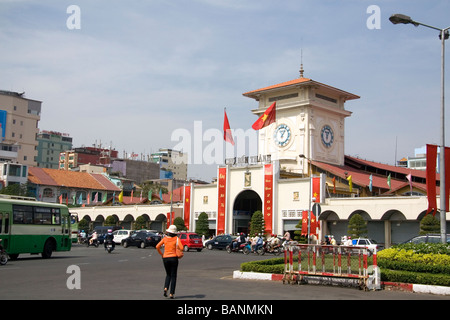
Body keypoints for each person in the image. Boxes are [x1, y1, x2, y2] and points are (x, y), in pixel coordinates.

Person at [156, 225, 184, 299]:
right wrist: (176, 247)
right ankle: (171, 293)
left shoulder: (165, 239)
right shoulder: (177, 239)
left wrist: (161, 254)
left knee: (168, 274)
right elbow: (182, 248)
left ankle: (165, 288)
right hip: (174, 258)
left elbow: (157, 246)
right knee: (173, 276)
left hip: (165, 258)